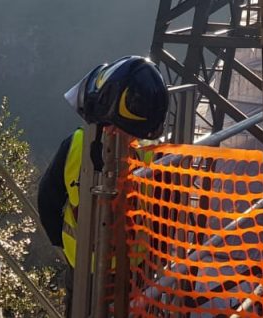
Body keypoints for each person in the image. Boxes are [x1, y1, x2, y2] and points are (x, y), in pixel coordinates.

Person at [37, 56, 169, 313]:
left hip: (86, 267)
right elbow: (166, 213)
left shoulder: (76, 145)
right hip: (134, 269)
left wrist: (61, 244)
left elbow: (47, 199)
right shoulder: (154, 156)